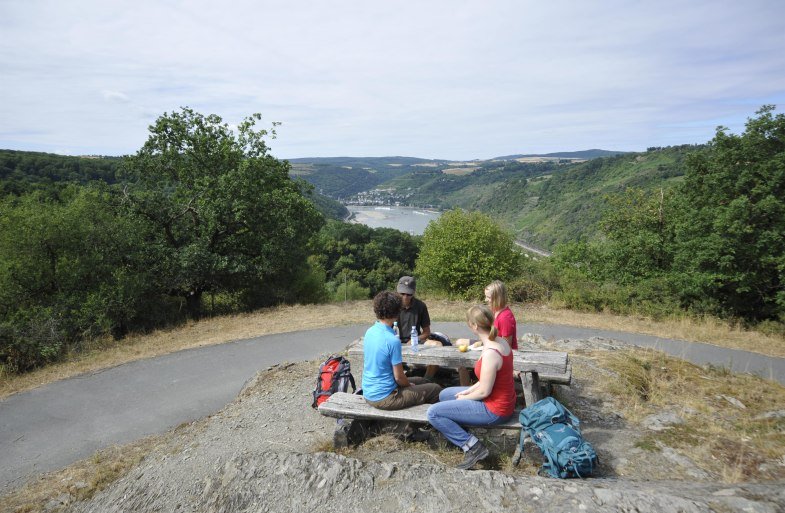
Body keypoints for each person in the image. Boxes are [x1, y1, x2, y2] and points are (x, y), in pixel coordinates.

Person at [426, 305, 516, 470]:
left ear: (474, 326)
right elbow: (485, 381)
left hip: (496, 410)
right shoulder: (498, 341)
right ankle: (460, 431)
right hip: (499, 400)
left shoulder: (491, 353)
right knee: (445, 394)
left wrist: (464, 397)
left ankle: (473, 446)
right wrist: (467, 390)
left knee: (433, 413)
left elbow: (484, 391)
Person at [362, 291, 442, 410]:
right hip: (386, 397)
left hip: (369, 392)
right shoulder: (392, 340)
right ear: (397, 311)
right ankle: (426, 419)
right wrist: (409, 385)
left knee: (422, 380)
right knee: (436, 389)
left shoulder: (370, 331)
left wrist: (409, 385)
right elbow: (399, 377)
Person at [396, 275, 446, 381]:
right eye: (402, 294)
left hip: (415, 341)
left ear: (413, 293)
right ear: (397, 291)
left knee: (438, 345)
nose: (405, 297)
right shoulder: (391, 304)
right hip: (395, 342)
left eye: (409, 294)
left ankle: (426, 380)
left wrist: (415, 339)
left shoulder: (420, 306)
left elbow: (427, 332)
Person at [485, 280, 518, 350]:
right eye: (485, 296)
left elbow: (506, 347)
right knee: (460, 342)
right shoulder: (494, 311)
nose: (485, 300)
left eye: (488, 297)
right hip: (493, 348)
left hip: (503, 354)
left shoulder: (505, 318)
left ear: (498, 298)